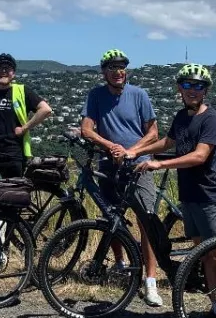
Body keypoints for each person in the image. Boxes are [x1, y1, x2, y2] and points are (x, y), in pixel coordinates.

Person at [122, 64, 216, 318]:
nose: (193, 90)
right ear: (179, 88)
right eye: (188, 85)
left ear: (206, 90)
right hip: (189, 194)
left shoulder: (211, 118)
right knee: (203, 254)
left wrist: (160, 163)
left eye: (199, 86)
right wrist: (137, 151)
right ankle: (215, 307)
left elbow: (200, 156)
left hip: (210, 195)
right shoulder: (182, 116)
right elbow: (169, 141)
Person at [80, 49, 161, 307]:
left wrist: (131, 151)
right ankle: (120, 264)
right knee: (110, 217)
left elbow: (154, 133)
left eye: (122, 67)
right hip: (109, 164)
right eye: (112, 67)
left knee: (146, 222)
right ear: (104, 72)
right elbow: (86, 129)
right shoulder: (96, 95)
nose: (118, 71)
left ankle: (150, 281)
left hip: (138, 165)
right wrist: (111, 146)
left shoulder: (139, 95)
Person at [0, 53, 52, 181]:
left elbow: (46, 109)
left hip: (14, 155)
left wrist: (25, 127)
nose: (3, 71)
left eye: (7, 68)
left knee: (14, 196)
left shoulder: (22, 90)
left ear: (13, 73)